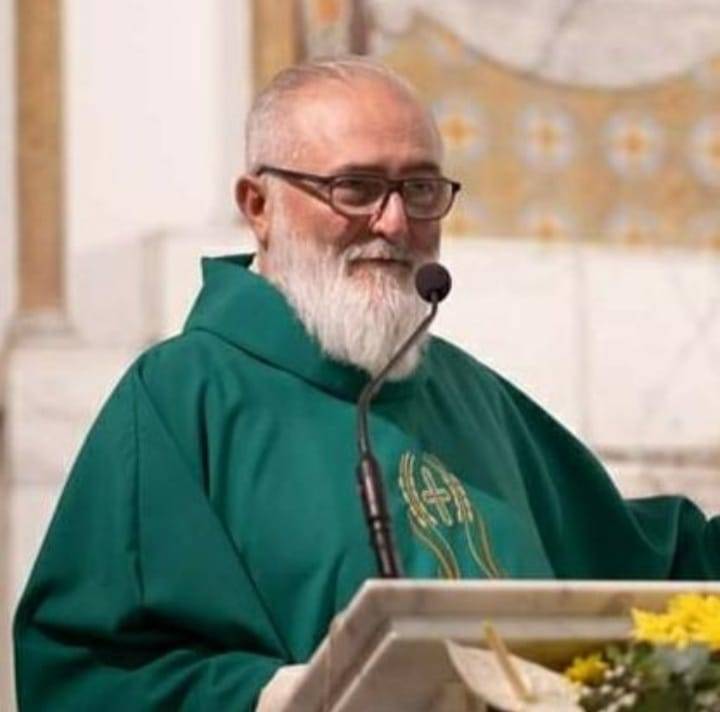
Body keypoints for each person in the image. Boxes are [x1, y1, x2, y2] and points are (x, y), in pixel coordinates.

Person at [13, 56, 720, 711]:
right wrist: (286, 695)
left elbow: (654, 566)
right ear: (258, 205)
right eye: (354, 188)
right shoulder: (180, 398)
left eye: (421, 189)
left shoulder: (472, 396)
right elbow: (88, 671)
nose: (394, 221)